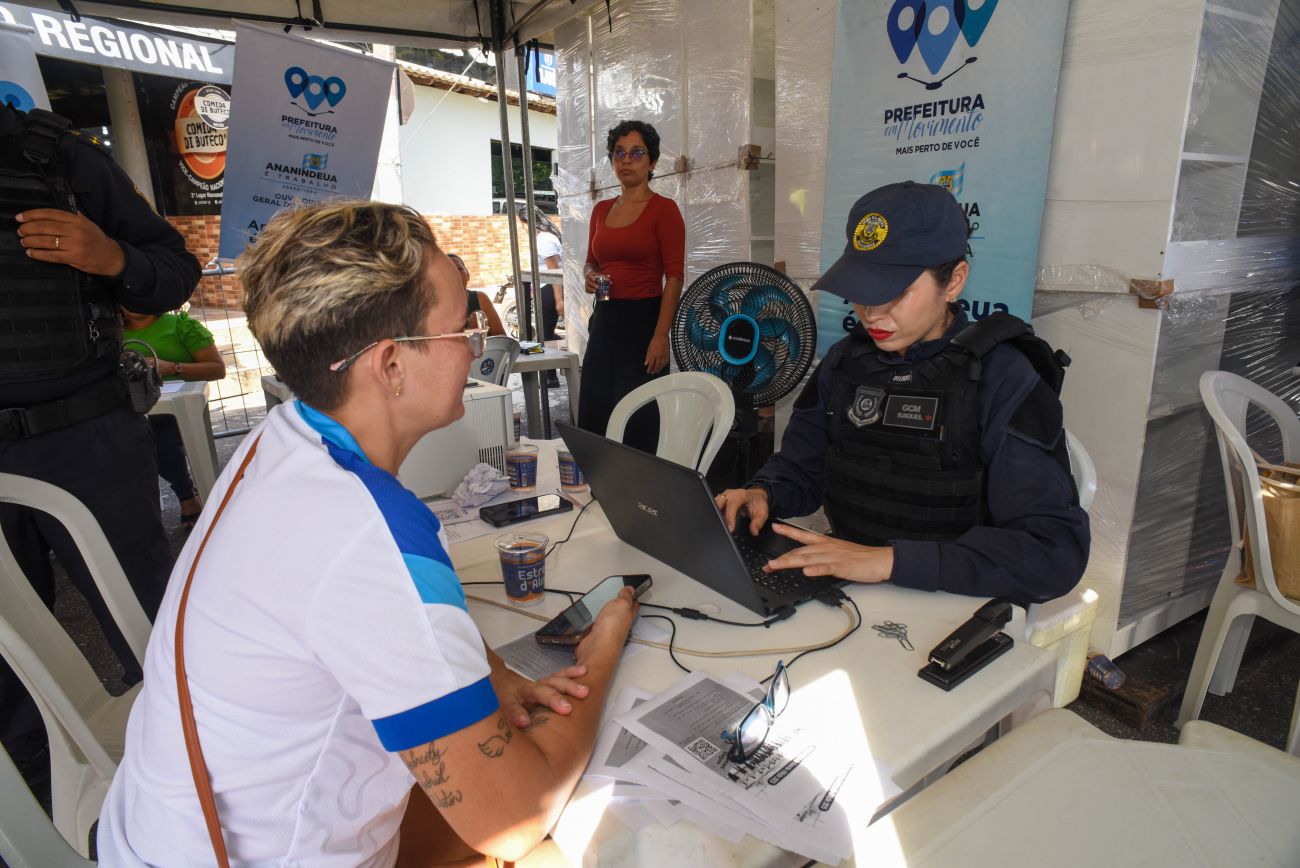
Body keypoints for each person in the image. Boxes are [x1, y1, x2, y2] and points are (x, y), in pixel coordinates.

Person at [97, 201, 641, 866]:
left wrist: (495, 676)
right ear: (389, 364)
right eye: (460, 327)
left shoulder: (282, 442)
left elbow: (370, 613)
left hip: (155, 834)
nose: (474, 345)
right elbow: (509, 821)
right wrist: (602, 649)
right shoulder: (368, 537)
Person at [717, 181, 1090, 606]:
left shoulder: (1002, 377)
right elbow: (803, 468)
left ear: (954, 282)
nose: (871, 312)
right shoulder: (845, 362)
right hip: (851, 591)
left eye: (893, 293)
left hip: (959, 600)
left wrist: (891, 562)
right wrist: (764, 492)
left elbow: (1053, 552)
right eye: (861, 290)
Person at [0, 105, 199, 764]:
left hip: (85, 441)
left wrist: (112, 258)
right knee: (10, 667)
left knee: (150, 627)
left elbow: (175, 269)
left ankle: (190, 774)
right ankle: (45, 799)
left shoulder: (57, 156)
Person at [580, 119, 686, 452]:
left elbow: (675, 277)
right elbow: (591, 261)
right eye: (619, 152)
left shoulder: (664, 210)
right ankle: (598, 479)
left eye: (637, 153)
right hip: (605, 318)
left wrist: (660, 336)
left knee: (639, 416)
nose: (626, 160)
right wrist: (589, 275)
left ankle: (638, 482)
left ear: (652, 162)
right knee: (596, 407)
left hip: (644, 323)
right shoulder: (600, 210)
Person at [120, 306, 227, 528]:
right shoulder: (110, 334)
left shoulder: (181, 326)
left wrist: (172, 368)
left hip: (177, 409)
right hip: (132, 408)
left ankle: (186, 495)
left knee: (158, 438)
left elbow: (217, 369)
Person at [447, 252, 506, 337]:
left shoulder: (480, 299)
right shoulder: (432, 306)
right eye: (449, 270)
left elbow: (500, 336)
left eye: (459, 268)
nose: (455, 273)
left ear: (468, 275)